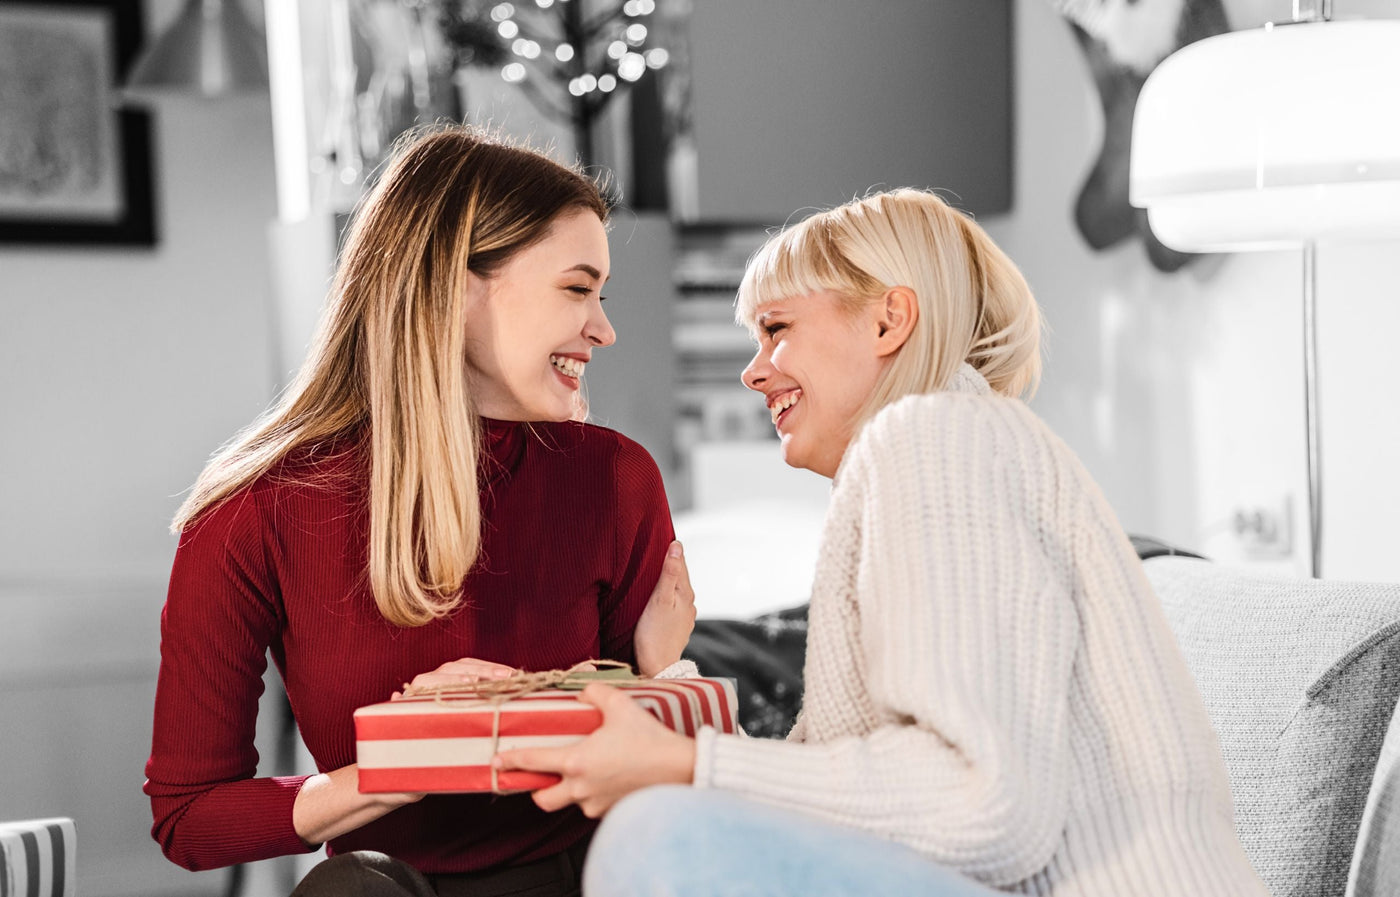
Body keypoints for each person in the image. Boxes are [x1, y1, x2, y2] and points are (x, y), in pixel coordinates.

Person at [494, 188, 1270, 896]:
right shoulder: (945, 449)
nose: (754, 373)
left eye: (777, 329)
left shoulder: (933, 438)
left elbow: (984, 802)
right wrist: (671, 673)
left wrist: (687, 765)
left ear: (888, 321)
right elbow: (833, 792)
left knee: (658, 839)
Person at [143, 125, 696, 897]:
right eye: (577, 288)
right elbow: (191, 816)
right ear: (454, 285)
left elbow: (648, 778)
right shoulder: (252, 510)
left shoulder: (612, 477)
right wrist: (411, 757)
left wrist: (654, 676)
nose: (604, 328)